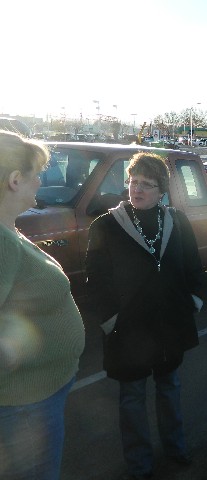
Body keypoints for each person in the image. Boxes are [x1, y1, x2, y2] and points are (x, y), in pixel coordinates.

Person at [85, 152, 202, 479]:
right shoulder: (106, 226)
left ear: (161, 189)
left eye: (147, 185)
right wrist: (110, 319)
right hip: (129, 329)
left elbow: (192, 264)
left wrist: (193, 298)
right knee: (132, 396)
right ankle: (139, 463)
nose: (137, 190)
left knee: (169, 386)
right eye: (134, 182)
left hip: (169, 324)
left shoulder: (177, 221)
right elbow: (95, 278)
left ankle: (175, 447)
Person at [0, 131, 85, 479]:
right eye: (35, 173)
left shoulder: (8, 230)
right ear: (15, 179)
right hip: (24, 405)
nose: (40, 181)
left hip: (34, 398)